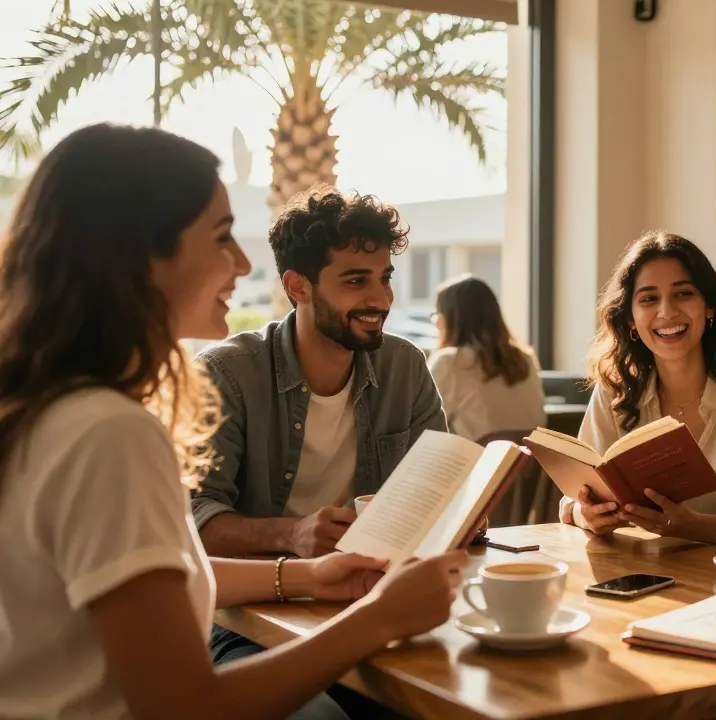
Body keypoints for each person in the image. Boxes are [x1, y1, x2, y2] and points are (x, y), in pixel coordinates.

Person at [0, 123, 467, 720]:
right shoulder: (107, 434)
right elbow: (186, 707)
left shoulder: (53, 409)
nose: (244, 263)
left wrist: (312, 577)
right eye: (222, 236)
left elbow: (171, 575)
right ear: (141, 255)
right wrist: (380, 618)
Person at [192, 186, 448, 560]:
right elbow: (196, 520)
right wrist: (291, 535)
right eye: (356, 281)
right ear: (299, 287)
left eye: (385, 279)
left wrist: (461, 511)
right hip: (254, 599)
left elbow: (439, 489)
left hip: (366, 583)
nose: (381, 300)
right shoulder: (225, 375)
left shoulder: (404, 367)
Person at [559, 230, 716, 544]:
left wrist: (689, 526)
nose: (667, 312)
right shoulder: (615, 389)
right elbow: (575, 497)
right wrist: (584, 514)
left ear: (709, 305)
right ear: (630, 319)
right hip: (639, 574)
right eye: (648, 299)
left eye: (683, 293)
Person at [427, 274, 547, 442]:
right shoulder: (525, 359)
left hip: (475, 465)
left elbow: (424, 430)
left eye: (437, 315)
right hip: (525, 465)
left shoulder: (449, 361)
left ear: (450, 319)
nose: (437, 323)